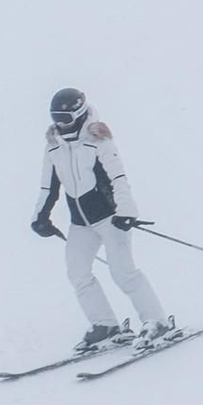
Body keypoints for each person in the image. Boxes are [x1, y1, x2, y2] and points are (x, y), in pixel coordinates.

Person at [31, 87, 173, 353]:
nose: (60, 124)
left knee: (123, 272)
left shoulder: (98, 141)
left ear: (79, 114)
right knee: (77, 272)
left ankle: (157, 322)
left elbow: (118, 177)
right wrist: (40, 216)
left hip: (111, 218)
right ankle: (105, 325)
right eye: (56, 118)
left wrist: (126, 210)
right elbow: (48, 187)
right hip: (80, 223)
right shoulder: (53, 147)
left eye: (65, 118)